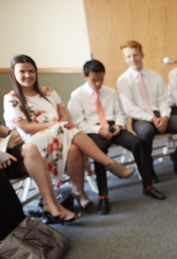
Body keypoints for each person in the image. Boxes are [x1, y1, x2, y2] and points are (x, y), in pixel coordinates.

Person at [3, 54, 135, 213]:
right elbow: (25, 127)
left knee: (73, 148)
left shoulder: (48, 92)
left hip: (61, 135)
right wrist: (54, 125)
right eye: (22, 71)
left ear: (36, 72)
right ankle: (109, 163)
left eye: (31, 71)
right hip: (32, 145)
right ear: (13, 73)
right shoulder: (11, 98)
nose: (27, 75)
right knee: (66, 127)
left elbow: (64, 114)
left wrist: (59, 125)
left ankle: (79, 192)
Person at [69, 59, 166, 215]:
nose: (98, 83)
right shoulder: (76, 95)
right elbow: (78, 123)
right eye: (94, 80)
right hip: (93, 130)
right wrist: (99, 129)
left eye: (101, 79)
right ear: (85, 76)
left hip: (113, 126)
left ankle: (148, 186)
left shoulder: (111, 92)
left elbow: (121, 114)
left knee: (137, 143)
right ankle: (103, 196)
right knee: (99, 152)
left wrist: (119, 126)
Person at [117, 40, 177, 178]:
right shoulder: (123, 80)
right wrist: (153, 119)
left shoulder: (155, 76)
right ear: (124, 59)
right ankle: (148, 168)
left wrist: (165, 117)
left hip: (160, 114)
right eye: (128, 56)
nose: (133, 59)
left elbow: (163, 100)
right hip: (141, 118)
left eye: (135, 55)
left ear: (142, 55)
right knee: (146, 132)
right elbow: (130, 109)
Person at [0, 125, 79, 222]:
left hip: (4, 150)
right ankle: (50, 204)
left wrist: (12, 134)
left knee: (35, 154)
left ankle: (52, 204)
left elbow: (6, 131)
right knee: (33, 153)